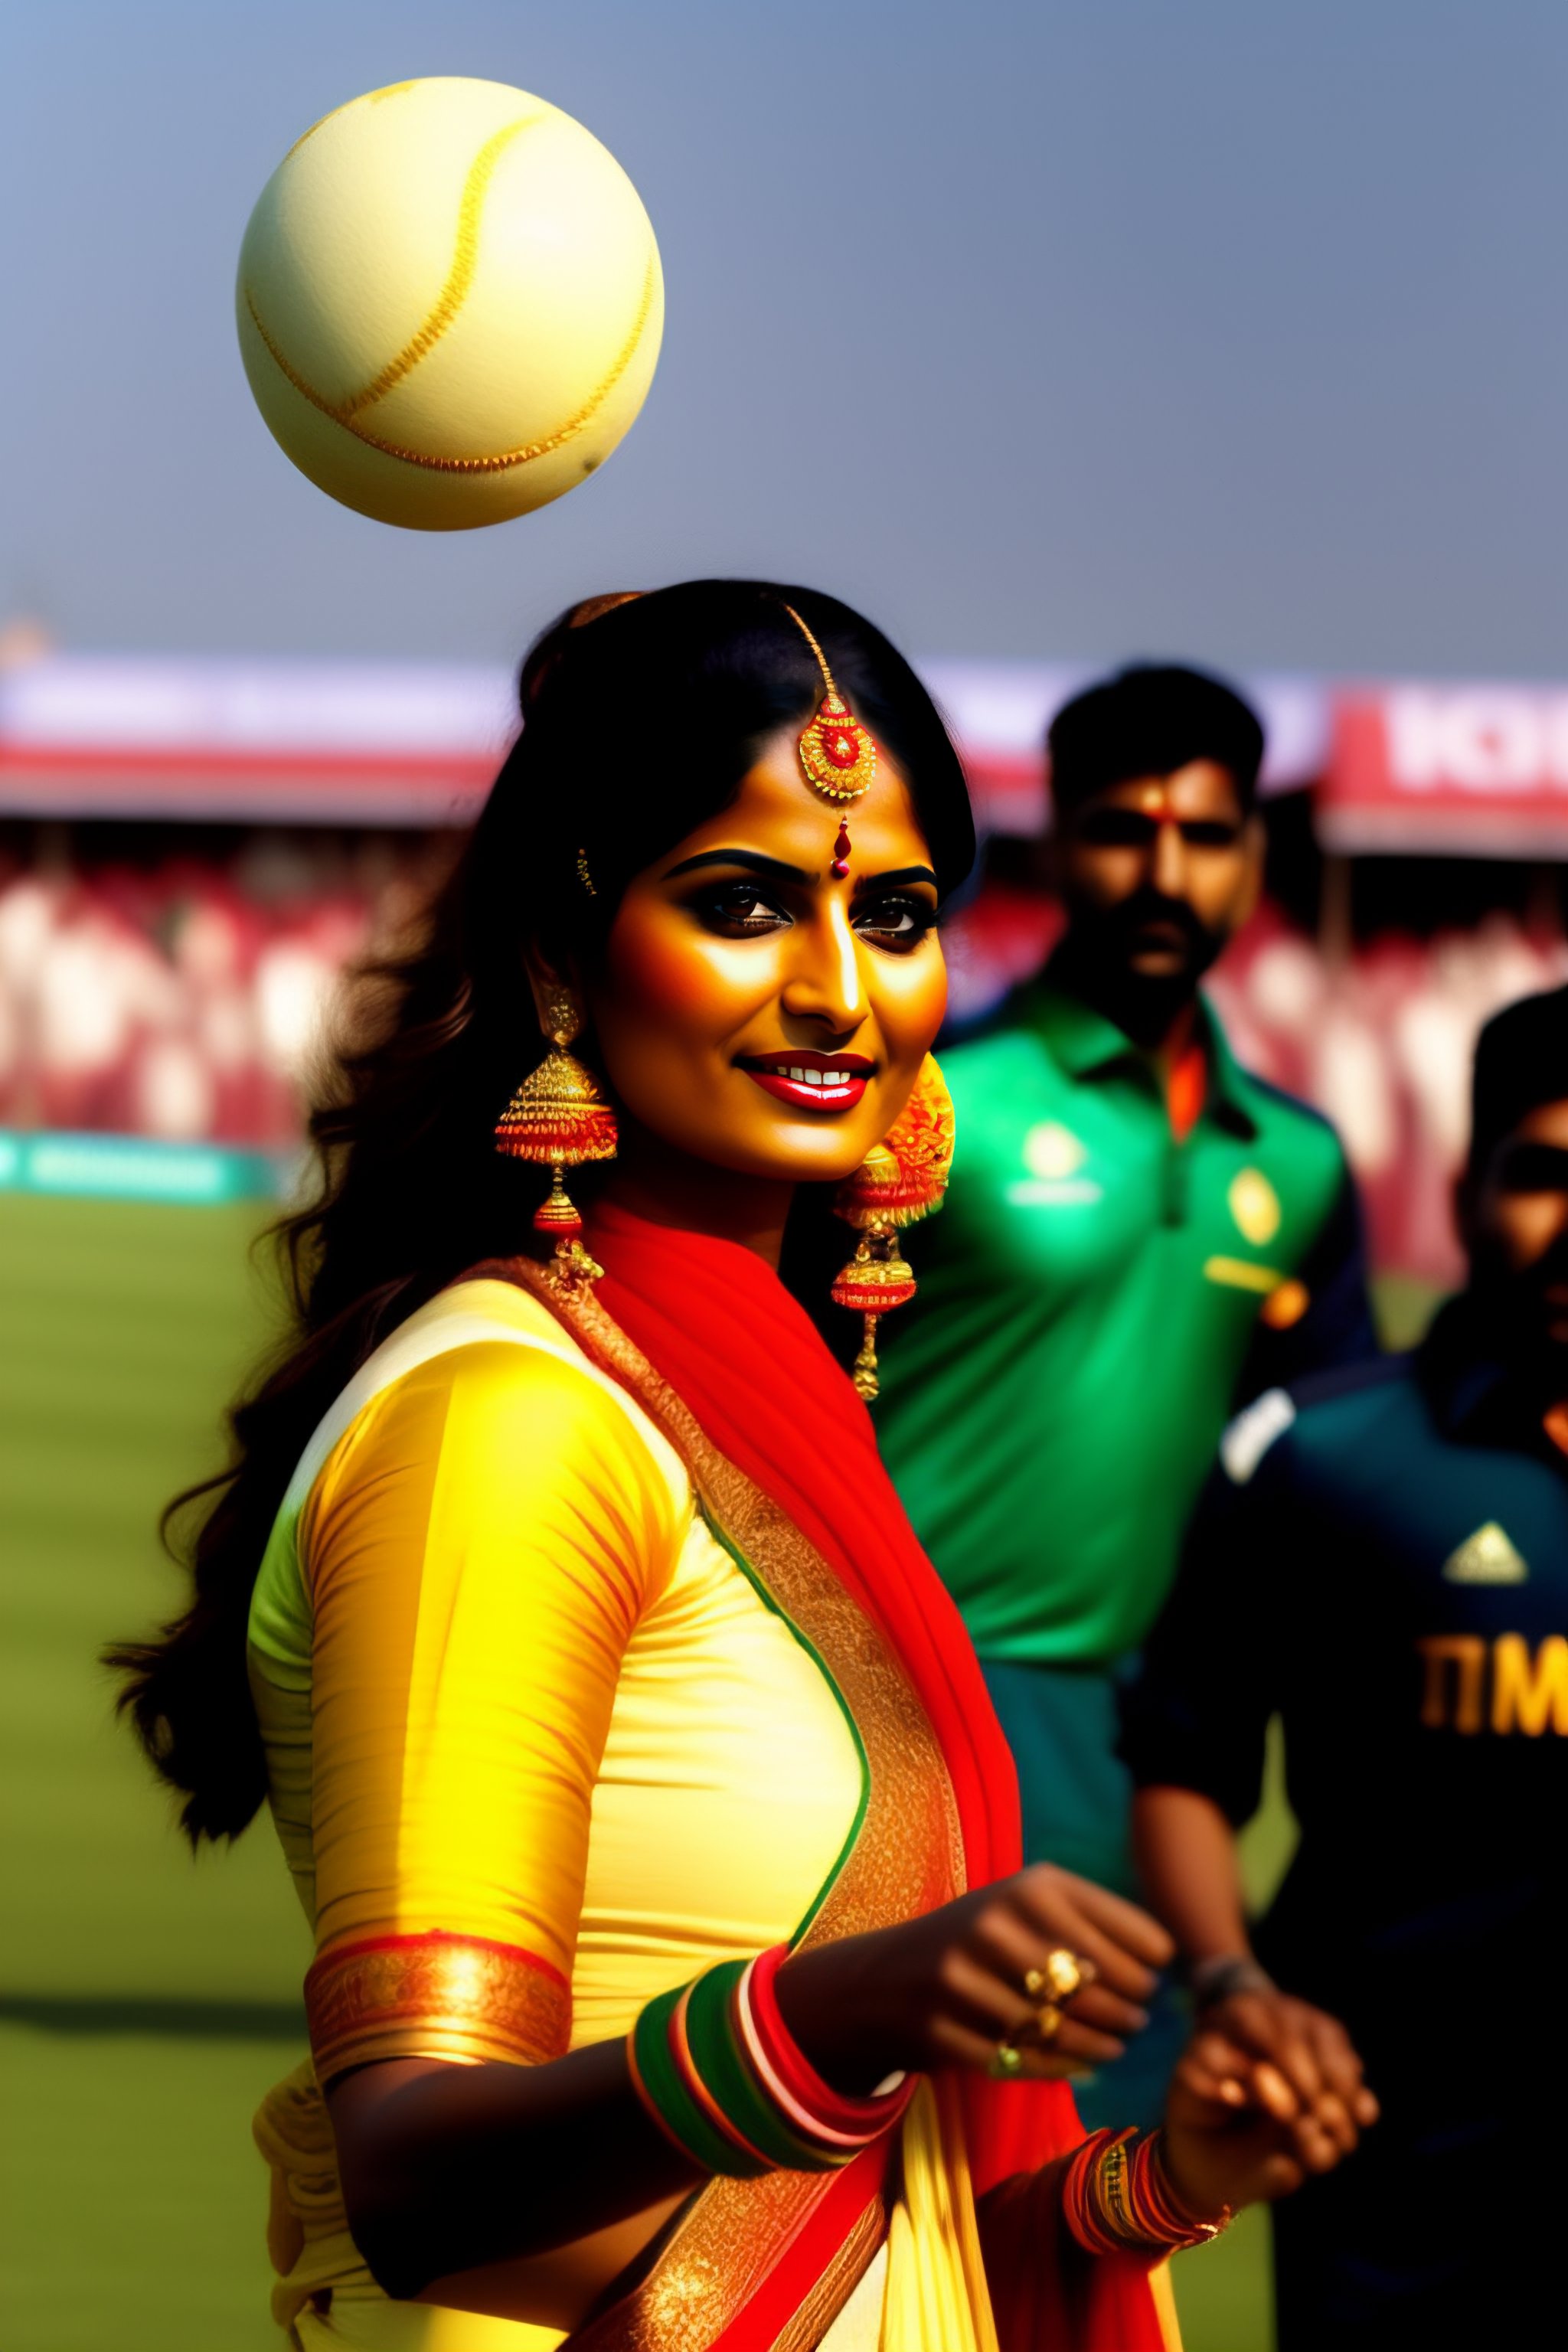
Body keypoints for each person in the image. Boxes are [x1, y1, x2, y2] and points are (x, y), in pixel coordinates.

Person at [109, 586, 1359, 2352]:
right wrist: (844, 2010)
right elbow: (414, 2177)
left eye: (895, 914)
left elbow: (907, 2230)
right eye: (745, 903)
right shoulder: (508, 1420)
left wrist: (1172, 2173)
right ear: (561, 952)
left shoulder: (765, 1400)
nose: (839, 991)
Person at [873, 663, 1375, 2122]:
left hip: (1154, 1759)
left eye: (1205, 836)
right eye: (1122, 830)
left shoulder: (1299, 1162)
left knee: (1117, 2198)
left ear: (1254, 857)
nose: (1166, 874)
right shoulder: (930, 1103)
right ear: (1057, 843)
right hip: (915, 1714)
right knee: (903, 2191)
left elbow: (1323, 1480)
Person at [1122, 982, 1568, 2347]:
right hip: (1388, 2153)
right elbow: (1183, 1764)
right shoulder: (1316, 1455)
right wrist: (1233, 1985)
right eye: (1544, 1173)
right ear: (1468, 1187)